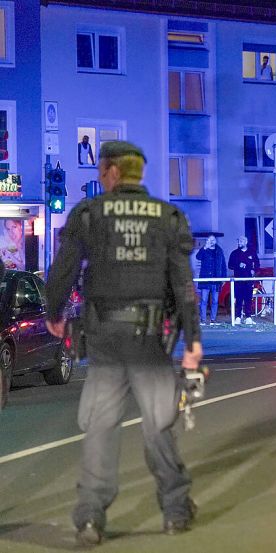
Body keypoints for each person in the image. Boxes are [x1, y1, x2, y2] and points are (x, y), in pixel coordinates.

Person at [44, 140, 203, 546]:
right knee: (159, 425)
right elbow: (183, 283)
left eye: (101, 171)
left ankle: (91, 519)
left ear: (113, 172)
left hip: (105, 340)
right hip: (150, 340)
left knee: (99, 427)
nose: (100, 177)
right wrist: (193, 340)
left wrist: (54, 314)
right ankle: (175, 511)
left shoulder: (89, 215)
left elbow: (62, 270)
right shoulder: (167, 217)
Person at [228, 235, 260, 325]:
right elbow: (230, 265)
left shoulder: (252, 252)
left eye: (241, 241)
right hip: (238, 280)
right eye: (238, 241)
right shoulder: (234, 253)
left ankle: (248, 317)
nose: (239, 243)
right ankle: (238, 317)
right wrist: (238, 265)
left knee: (248, 299)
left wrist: (254, 270)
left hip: (248, 280)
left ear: (246, 242)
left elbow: (257, 264)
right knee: (238, 299)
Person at [195, 234, 226, 324]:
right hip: (205, 279)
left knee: (215, 301)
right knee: (204, 300)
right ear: (207, 241)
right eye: (210, 240)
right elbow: (198, 257)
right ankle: (203, 320)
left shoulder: (219, 251)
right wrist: (204, 247)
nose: (212, 241)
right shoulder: (204, 250)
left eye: (213, 240)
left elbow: (223, 265)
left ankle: (213, 319)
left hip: (216, 280)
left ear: (215, 241)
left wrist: (223, 278)